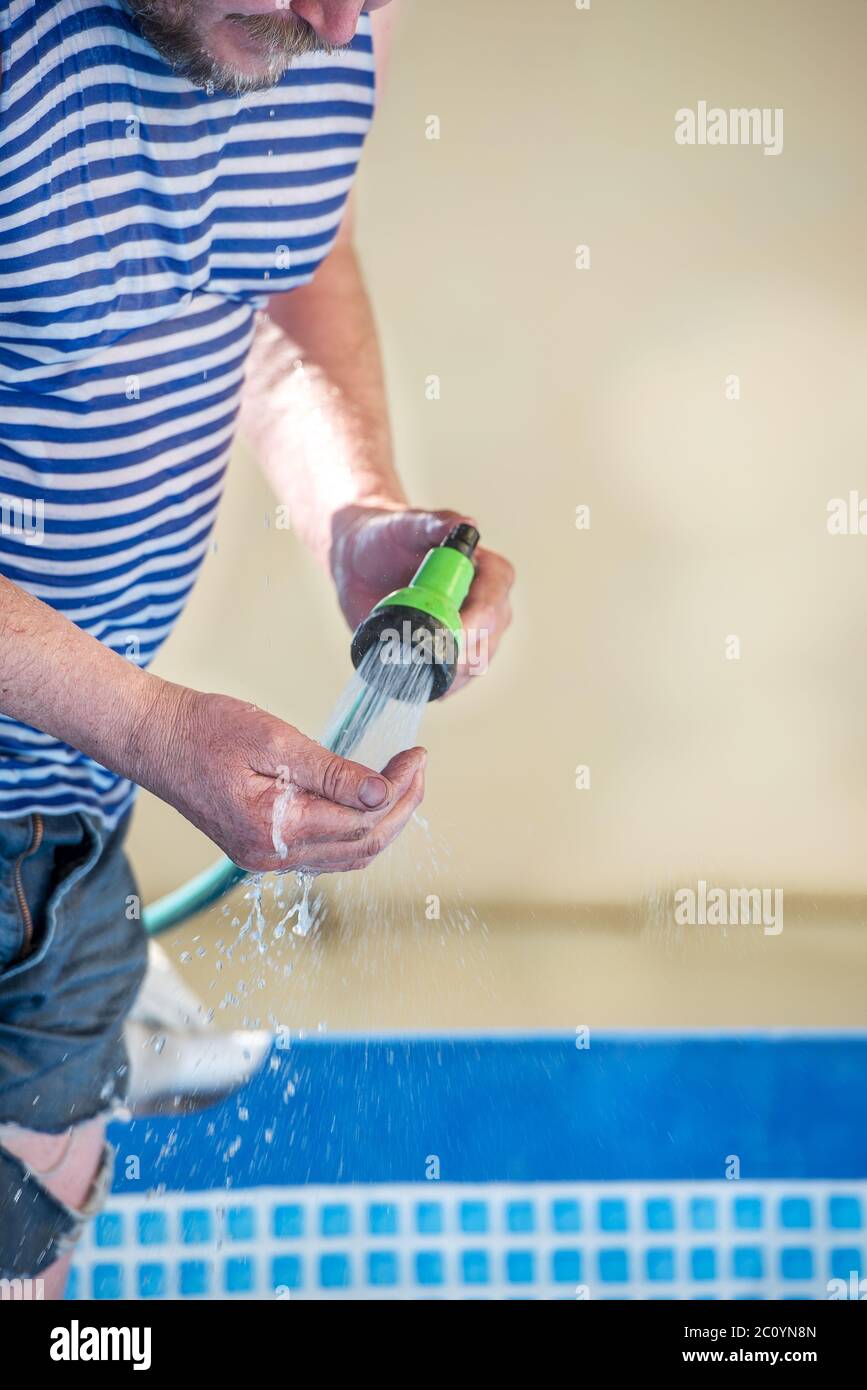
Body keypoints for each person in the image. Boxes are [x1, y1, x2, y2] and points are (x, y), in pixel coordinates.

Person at [0, 1, 514, 1295]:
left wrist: (356, 516)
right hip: (100, 753)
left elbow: (291, 255)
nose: (337, 20)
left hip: (67, 814)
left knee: (30, 1233)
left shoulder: (333, 31)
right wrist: (149, 723)